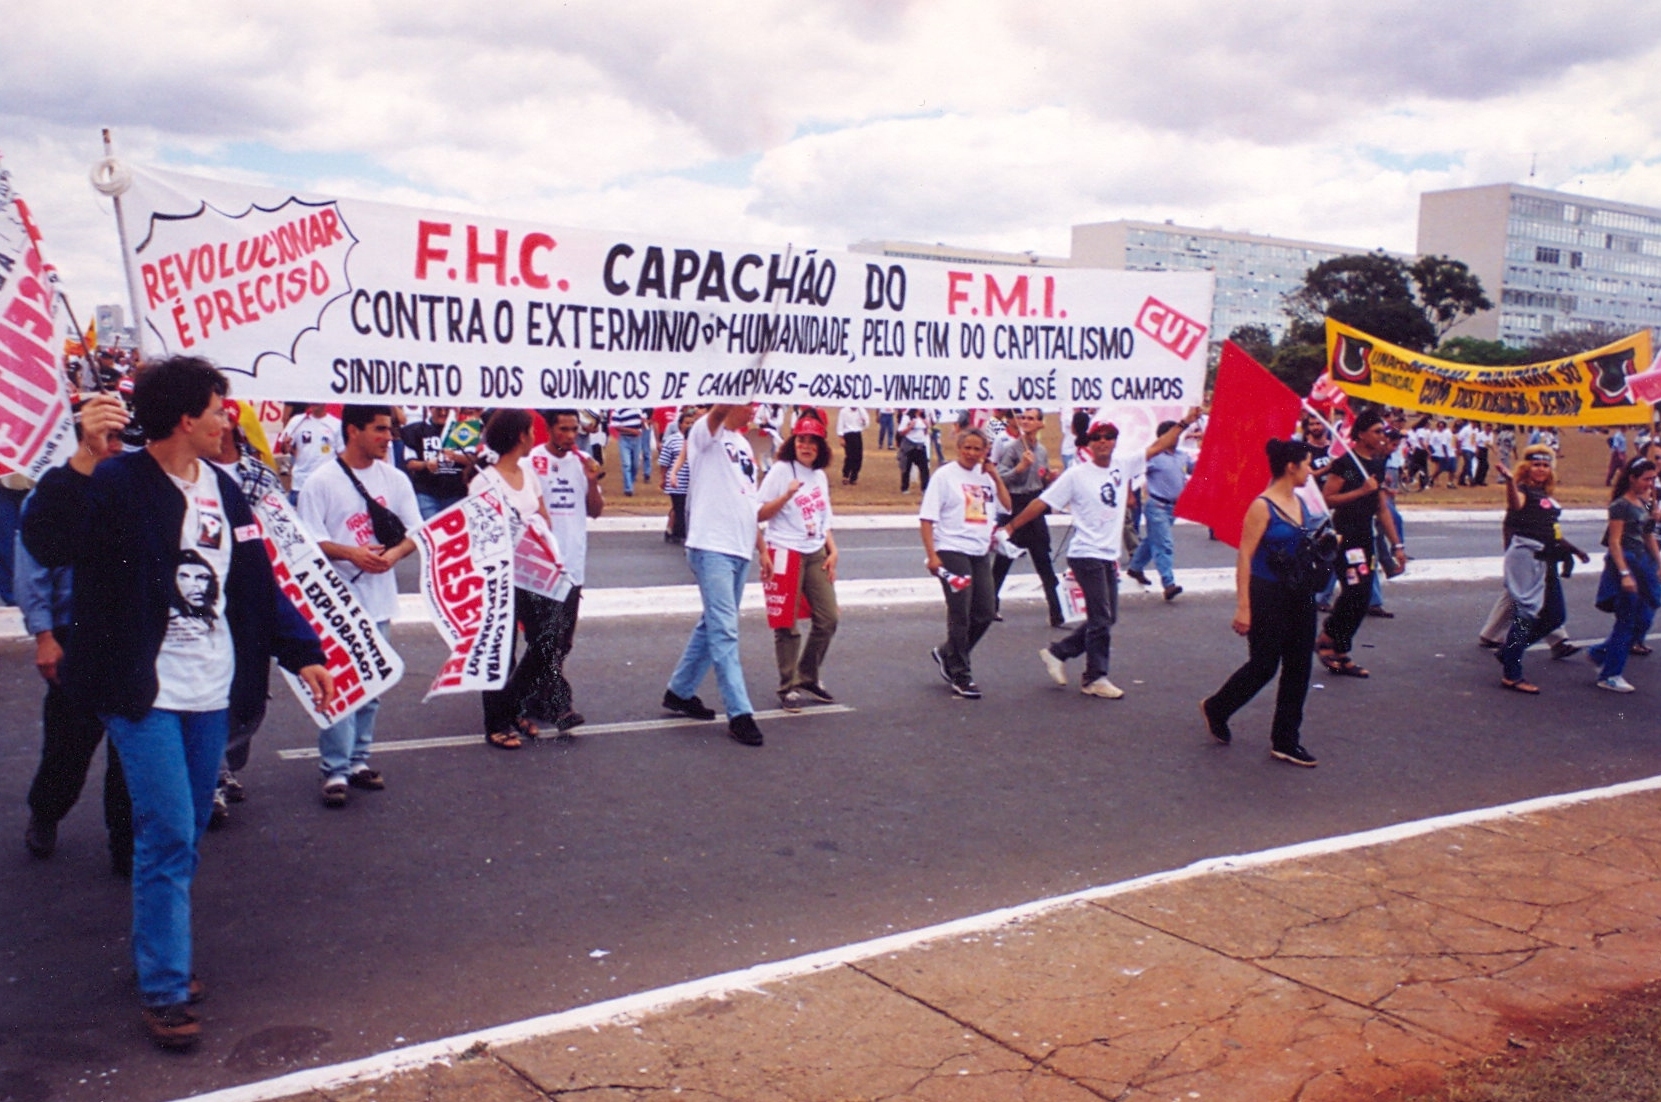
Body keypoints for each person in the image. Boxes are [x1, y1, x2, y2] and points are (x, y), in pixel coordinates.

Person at [21, 362, 331, 1050]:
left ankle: (158, 951)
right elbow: (46, 538)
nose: (229, 421)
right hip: (142, 691)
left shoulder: (225, 488)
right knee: (164, 833)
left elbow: (255, 584)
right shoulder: (115, 481)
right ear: (187, 418)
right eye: (220, 409)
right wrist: (81, 458)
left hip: (211, 691)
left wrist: (301, 650)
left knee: (184, 835)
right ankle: (163, 985)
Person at [1004, 414, 1196, 699]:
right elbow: (1041, 503)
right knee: (1101, 618)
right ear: (1089, 444)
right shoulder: (1076, 475)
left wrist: (1185, 422)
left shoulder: (1123, 465)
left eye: (1109, 437)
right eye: (1097, 437)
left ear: (1115, 441)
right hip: (1085, 554)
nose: (1103, 442)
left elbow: (1158, 446)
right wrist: (1011, 527)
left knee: (1107, 617)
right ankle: (1094, 677)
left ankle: (1059, 652)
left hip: (1108, 555)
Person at [18, 415, 132, 872]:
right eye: (108, 437)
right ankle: (46, 813)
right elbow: (33, 572)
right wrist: (44, 636)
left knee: (130, 752)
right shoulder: (51, 496)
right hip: (74, 635)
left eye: (122, 438)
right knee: (69, 746)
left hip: (126, 635)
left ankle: (125, 845)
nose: (117, 447)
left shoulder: (129, 490)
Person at [297, 405, 421, 805]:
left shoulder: (395, 479)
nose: (389, 438)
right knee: (339, 685)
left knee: (372, 684)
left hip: (379, 599)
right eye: (380, 429)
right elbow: (309, 540)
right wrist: (351, 553)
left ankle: (358, 759)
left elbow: (416, 532)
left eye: (391, 429)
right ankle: (334, 768)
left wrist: (393, 555)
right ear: (353, 430)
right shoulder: (321, 482)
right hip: (335, 604)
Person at [1200, 438, 1323, 767]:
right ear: (1291, 467)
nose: (1311, 471)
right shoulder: (1262, 506)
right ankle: (1217, 707)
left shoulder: (1301, 502)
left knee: (1299, 667)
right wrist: (1244, 606)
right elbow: (1245, 556)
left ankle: (1286, 740)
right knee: (1264, 665)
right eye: (1307, 464)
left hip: (1300, 592)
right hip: (1267, 593)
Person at [662, 404, 766, 747]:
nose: (752, 409)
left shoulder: (743, 444)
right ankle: (740, 713)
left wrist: (762, 547)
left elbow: (749, 502)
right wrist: (732, 384)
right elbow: (719, 412)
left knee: (713, 624)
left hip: (739, 547)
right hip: (711, 546)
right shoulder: (705, 433)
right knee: (725, 630)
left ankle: (679, 691)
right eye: (747, 401)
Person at [473, 410, 557, 747]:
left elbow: (543, 517)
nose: (535, 436)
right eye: (530, 431)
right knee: (501, 650)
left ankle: (514, 706)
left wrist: (537, 536)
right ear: (520, 435)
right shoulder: (484, 480)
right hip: (499, 575)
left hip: (533, 573)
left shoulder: (528, 473)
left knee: (545, 642)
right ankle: (497, 722)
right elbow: (479, 534)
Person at [919, 427, 1012, 699]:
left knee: (985, 611)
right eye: (967, 448)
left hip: (979, 551)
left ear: (985, 451)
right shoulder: (945, 476)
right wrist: (932, 555)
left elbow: (1007, 506)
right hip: (951, 548)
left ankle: (948, 652)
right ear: (959, 448)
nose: (971, 453)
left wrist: (995, 475)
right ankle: (960, 673)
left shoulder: (986, 477)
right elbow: (927, 518)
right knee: (960, 612)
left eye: (977, 449)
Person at [528, 409, 605, 729]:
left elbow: (596, 512)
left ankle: (536, 695)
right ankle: (560, 706)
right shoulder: (532, 461)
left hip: (573, 564)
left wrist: (592, 482)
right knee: (546, 637)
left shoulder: (583, 461)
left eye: (575, 429)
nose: (571, 436)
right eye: (563, 429)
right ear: (549, 429)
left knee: (563, 641)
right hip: (541, 564)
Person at [758, 415, 840, 711]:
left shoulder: (819, 476)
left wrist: (832, 549)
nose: (806, 446)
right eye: (801, 440)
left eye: (812, 442)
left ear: (821, 447)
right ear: (793, 443)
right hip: (784, 550)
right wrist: (786, 495)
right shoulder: (781, 471)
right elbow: (759, 513)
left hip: (815, 551)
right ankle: (788, 685)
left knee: (828, 617)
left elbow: (823, 517)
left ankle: (807, 675)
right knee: (787, 624)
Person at [1315, 412, 1405, 679]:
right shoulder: (1346, 464)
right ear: (1361, 434)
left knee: (1363, 595)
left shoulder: (1377, 464)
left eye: (1382, 432)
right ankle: (1332, 641)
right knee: (1354, 591)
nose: (1381, 437)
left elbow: (1381, 508)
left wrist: (1397, 545)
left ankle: (1338, 646)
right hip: (1345, 537)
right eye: (1376, 431)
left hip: (1366, 537)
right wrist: (1360, 491)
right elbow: (1328, 498)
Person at [1494, 444, 1567, 694]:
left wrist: (1572, 550)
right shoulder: (1523, 490)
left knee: (1555, 615)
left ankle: (1509, 651)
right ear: (1526, 467)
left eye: (1546, 465)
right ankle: (1511, 673)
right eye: (1536, 465)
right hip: (1527, 558)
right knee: (1525, 614)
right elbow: (1516, 505)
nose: (1541, 469)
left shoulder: (1544, 494)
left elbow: (1551, 528)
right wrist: (1510, 482)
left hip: (1547, 559)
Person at [1588, 457, 1661, 692]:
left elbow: (1648, 535)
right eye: (1646, 479)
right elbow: (1614, 542)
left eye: (1653, 479)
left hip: (1643, 562)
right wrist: (1624, 573)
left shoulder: (1646, 502)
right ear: (1632, 478)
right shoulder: (1620, 506)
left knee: (1646, 614)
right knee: (1627, 619)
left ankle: (1601, 652)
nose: (1650, 484)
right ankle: (1610, 674)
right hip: (1626, 562)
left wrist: (1659, 562)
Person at [990, 409, 1065, 627]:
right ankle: (989, 606)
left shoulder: (1041, 451)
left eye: (1031, 418)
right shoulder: (1012, 449)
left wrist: (1049, 479)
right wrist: (1019, 468)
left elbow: (1040, 480)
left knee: (1044, 563)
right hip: (1015, 506)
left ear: (1041, 424)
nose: (1026, 421)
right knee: (1002, 563)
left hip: (1034, 507)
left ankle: (1057, 612)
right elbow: (1000, 478)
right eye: (1023, 418)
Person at [1125, 418, 1193, 601]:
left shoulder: (1182, 456)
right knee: (1164, 543)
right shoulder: (1154, 457)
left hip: (1173, 508)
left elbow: (1195, 470)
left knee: (1153, 539)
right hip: (1157, 506)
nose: (1176, 437)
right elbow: (1129, 472)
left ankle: (1135, 567)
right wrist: (1130, 495)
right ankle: (1168, 583)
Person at [402, 406, 473, 520]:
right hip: (426, 492)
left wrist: (455, 456)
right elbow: (410, 463)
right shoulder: (415, 430)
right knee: (431, 526)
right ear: (430, 408)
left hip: (455, 492)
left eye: (447, 409)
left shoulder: (464, 429)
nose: (443, 413)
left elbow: (472, 459)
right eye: (439, 409)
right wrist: (426, 464)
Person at [274, 402, 342, 503]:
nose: (314, 402)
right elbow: (284, 449)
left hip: (325, 487)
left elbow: (342, 455)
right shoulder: (297, 421)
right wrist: (286, 445)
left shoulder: (336, 424)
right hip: (300, 485)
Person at [657, 406, 696, 543]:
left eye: (692, 423)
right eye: (687, 423)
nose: (689, 425)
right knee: (679, 508)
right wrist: (664, 478)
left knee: (687, 508)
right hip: (677, 481)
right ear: (680, 424)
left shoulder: (697, 440)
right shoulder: (672, 440)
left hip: (693, 482)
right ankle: (679, 534)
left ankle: (673, 529)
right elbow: (664, 461)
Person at [610, 406, 648, 495]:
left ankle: (630, 481)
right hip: (624, 439)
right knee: (626, 464)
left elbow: (645, 426)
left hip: (637, 439)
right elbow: (616, 426)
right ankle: (628, 488)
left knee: (635, 464)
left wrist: (644, 422)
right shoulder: (618, 410)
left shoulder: (639, 409)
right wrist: (631, 430)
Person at [897, 409, 931, 492]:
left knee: (924, 468)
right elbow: (900, 432)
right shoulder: (907, 417)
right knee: (906, 468)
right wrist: (910, 427)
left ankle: (925, 488)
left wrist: (927, 426)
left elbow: (925, 433)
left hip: (920, 445)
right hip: (909, 445)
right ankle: (905, 488)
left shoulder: (924, 418)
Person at [837, 405, 869, 486]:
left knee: (858, 456)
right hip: (848, 434)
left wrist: (864, 422)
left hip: (857, 434)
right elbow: (840, 424)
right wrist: (841, 437)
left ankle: (854, 477)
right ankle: (846, 475)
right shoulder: (843, 411)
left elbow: (867, 423)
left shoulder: (861, 410)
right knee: (850, 456)